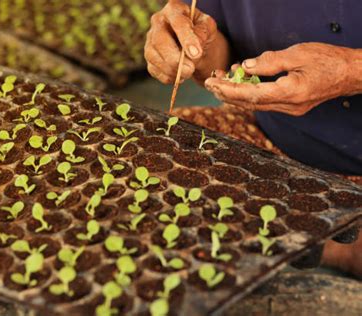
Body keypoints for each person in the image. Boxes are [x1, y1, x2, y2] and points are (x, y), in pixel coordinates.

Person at [144, 0, 362, 278]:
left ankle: (327, 241)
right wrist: (197, 47)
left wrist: (351, 70)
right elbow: (224, 59)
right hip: (275, 137)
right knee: (155, 155)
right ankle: (314, 234)